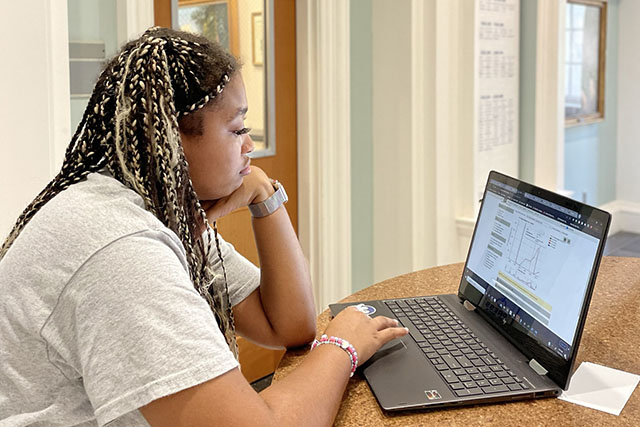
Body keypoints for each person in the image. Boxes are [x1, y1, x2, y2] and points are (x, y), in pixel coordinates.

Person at [0, 27, 407, 426]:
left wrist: (265, 196)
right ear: (172, 139)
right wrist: (342, 346)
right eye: (236, 129)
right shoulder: (121, 250)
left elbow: (288, 325)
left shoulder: (157, 211)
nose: (249, 146)